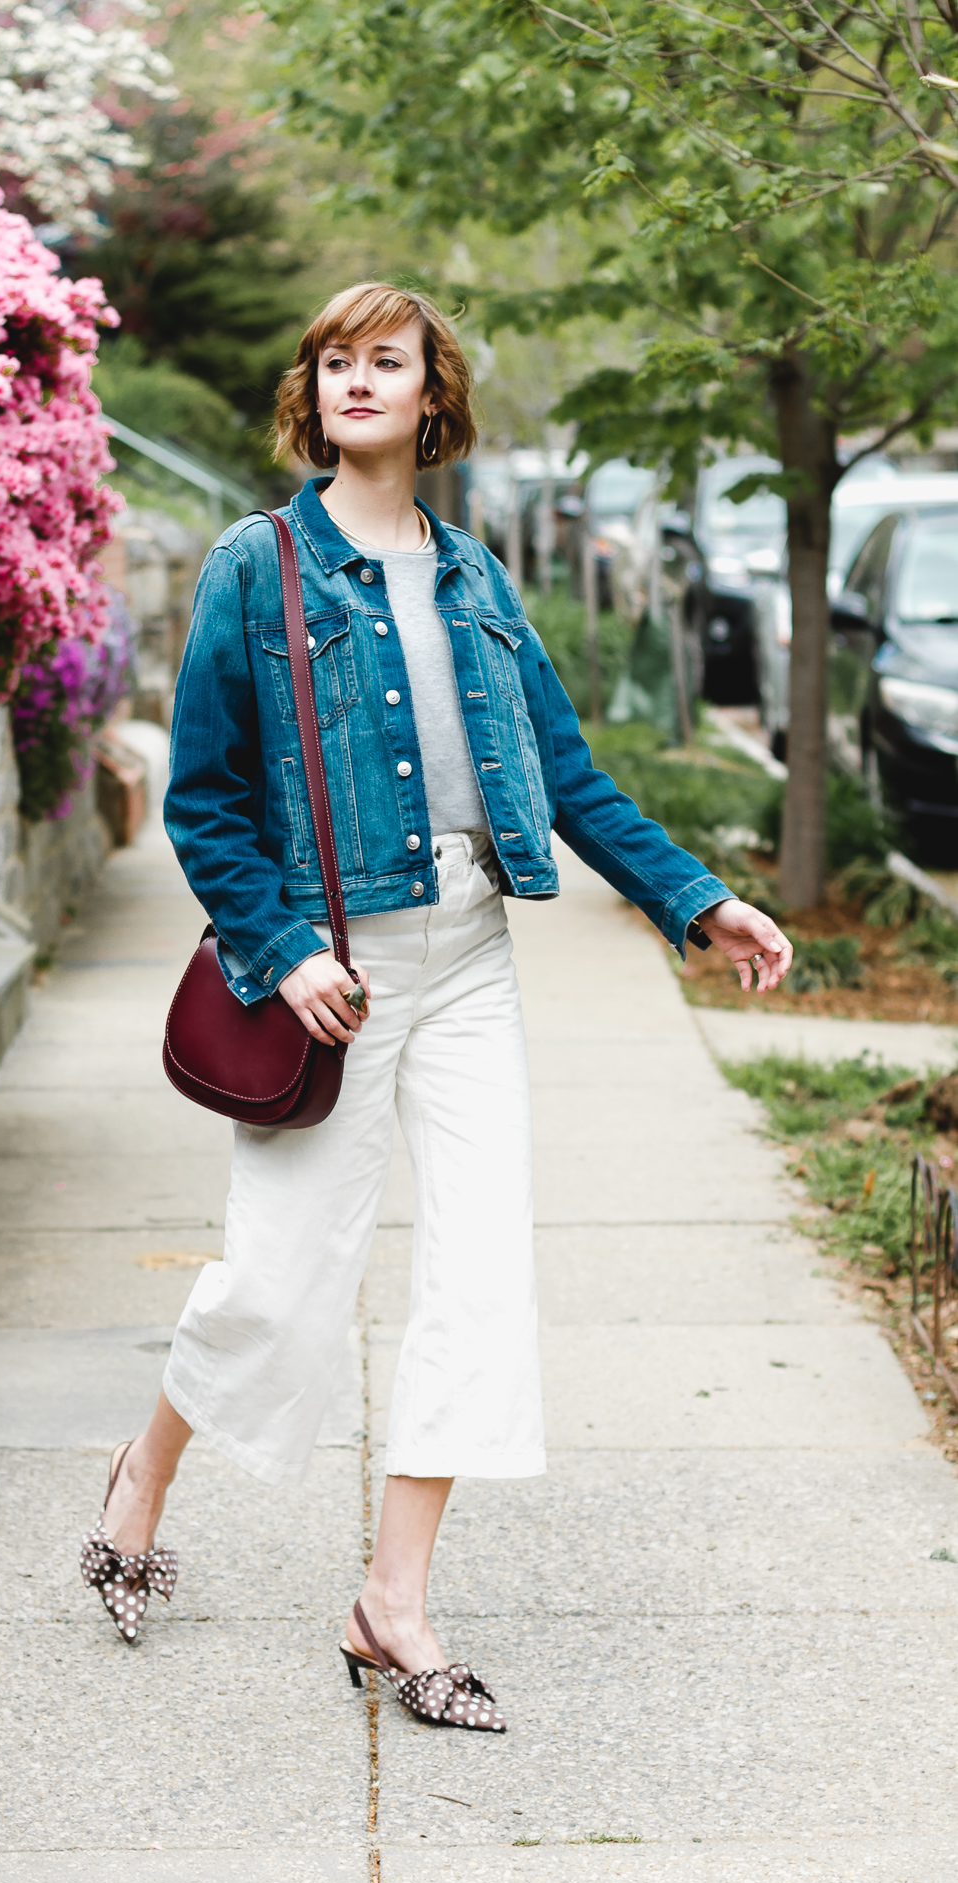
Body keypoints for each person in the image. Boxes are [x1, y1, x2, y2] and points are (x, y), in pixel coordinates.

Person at [79, 282, 792, 1731]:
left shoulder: (475, 582)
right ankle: (142, 1470)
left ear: (430, 397)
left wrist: (694, 896)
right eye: (334, 361)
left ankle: (391, 1602)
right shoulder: (256, 565)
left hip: (466, 956)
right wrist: (280, 947)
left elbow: (567, 775)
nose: (355, 380)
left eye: (383, 361)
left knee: (479, 1280)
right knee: (280, 1286)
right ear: (314, 392)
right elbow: (205, 802)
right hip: (329, 973)